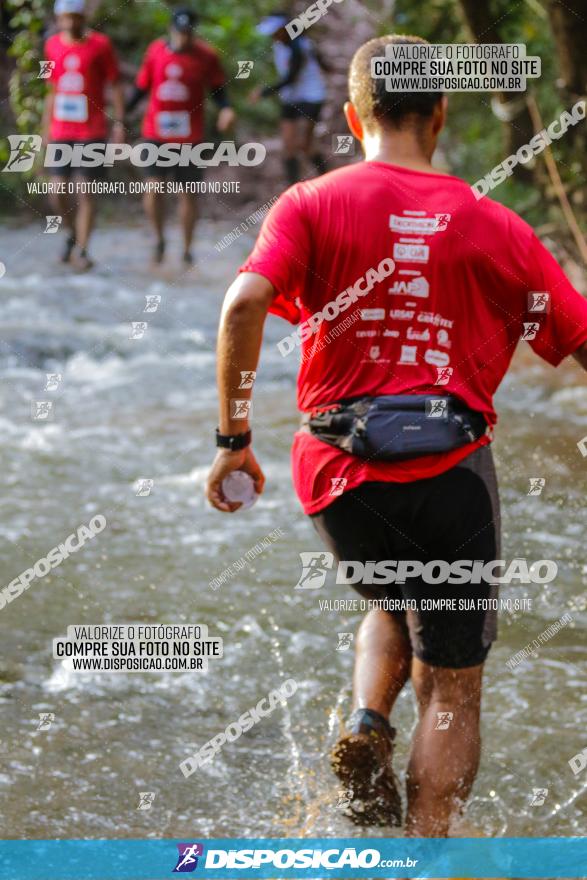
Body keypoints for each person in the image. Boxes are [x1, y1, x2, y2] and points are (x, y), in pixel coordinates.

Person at [206, 33, 587, 835]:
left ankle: (366, 724)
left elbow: (242, 305)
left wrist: (232, 440)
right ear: (440, 114)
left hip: (337, 474)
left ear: (354, 114)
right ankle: (425, 853)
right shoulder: (498, 225)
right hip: (449, 473)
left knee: (392, 588)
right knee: (450, 687)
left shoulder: (309, 202)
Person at [127, 7, 235, 265]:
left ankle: (187, 249)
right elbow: (141, 87)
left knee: (187, 193)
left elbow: (219, 90)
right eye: (179, 32)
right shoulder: (155, 51)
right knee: (154, 187)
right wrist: (122, 114)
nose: (183, 38)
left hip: (190, 137)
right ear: (170, 30)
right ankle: (158, 238)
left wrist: (226, 109)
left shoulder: (207, 57)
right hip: (155, 132)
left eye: (188, 33)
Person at [42, 0, 124, 270]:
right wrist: (45, 130)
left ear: (82, 16)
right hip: (61, 129)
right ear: (59, 18)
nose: (70, 23)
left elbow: (115, 83)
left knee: (86, 190)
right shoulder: (52, 45)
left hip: (92, 129)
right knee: (58, 190)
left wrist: (119, 123)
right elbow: (51, 90)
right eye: (65, 18)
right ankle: (71, 232)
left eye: (75, 17)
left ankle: (84, 250)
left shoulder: (101, 44)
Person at [251, 13, 329, 185]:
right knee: (288, 146)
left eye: (276, 32)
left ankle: (328, 180)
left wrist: (263, 92)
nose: (273, 36)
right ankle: (292, 187)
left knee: (305, 144)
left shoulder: (299, 47)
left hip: (311, 96)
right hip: (291, 98)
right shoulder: (279, 46)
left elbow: (291, 77)